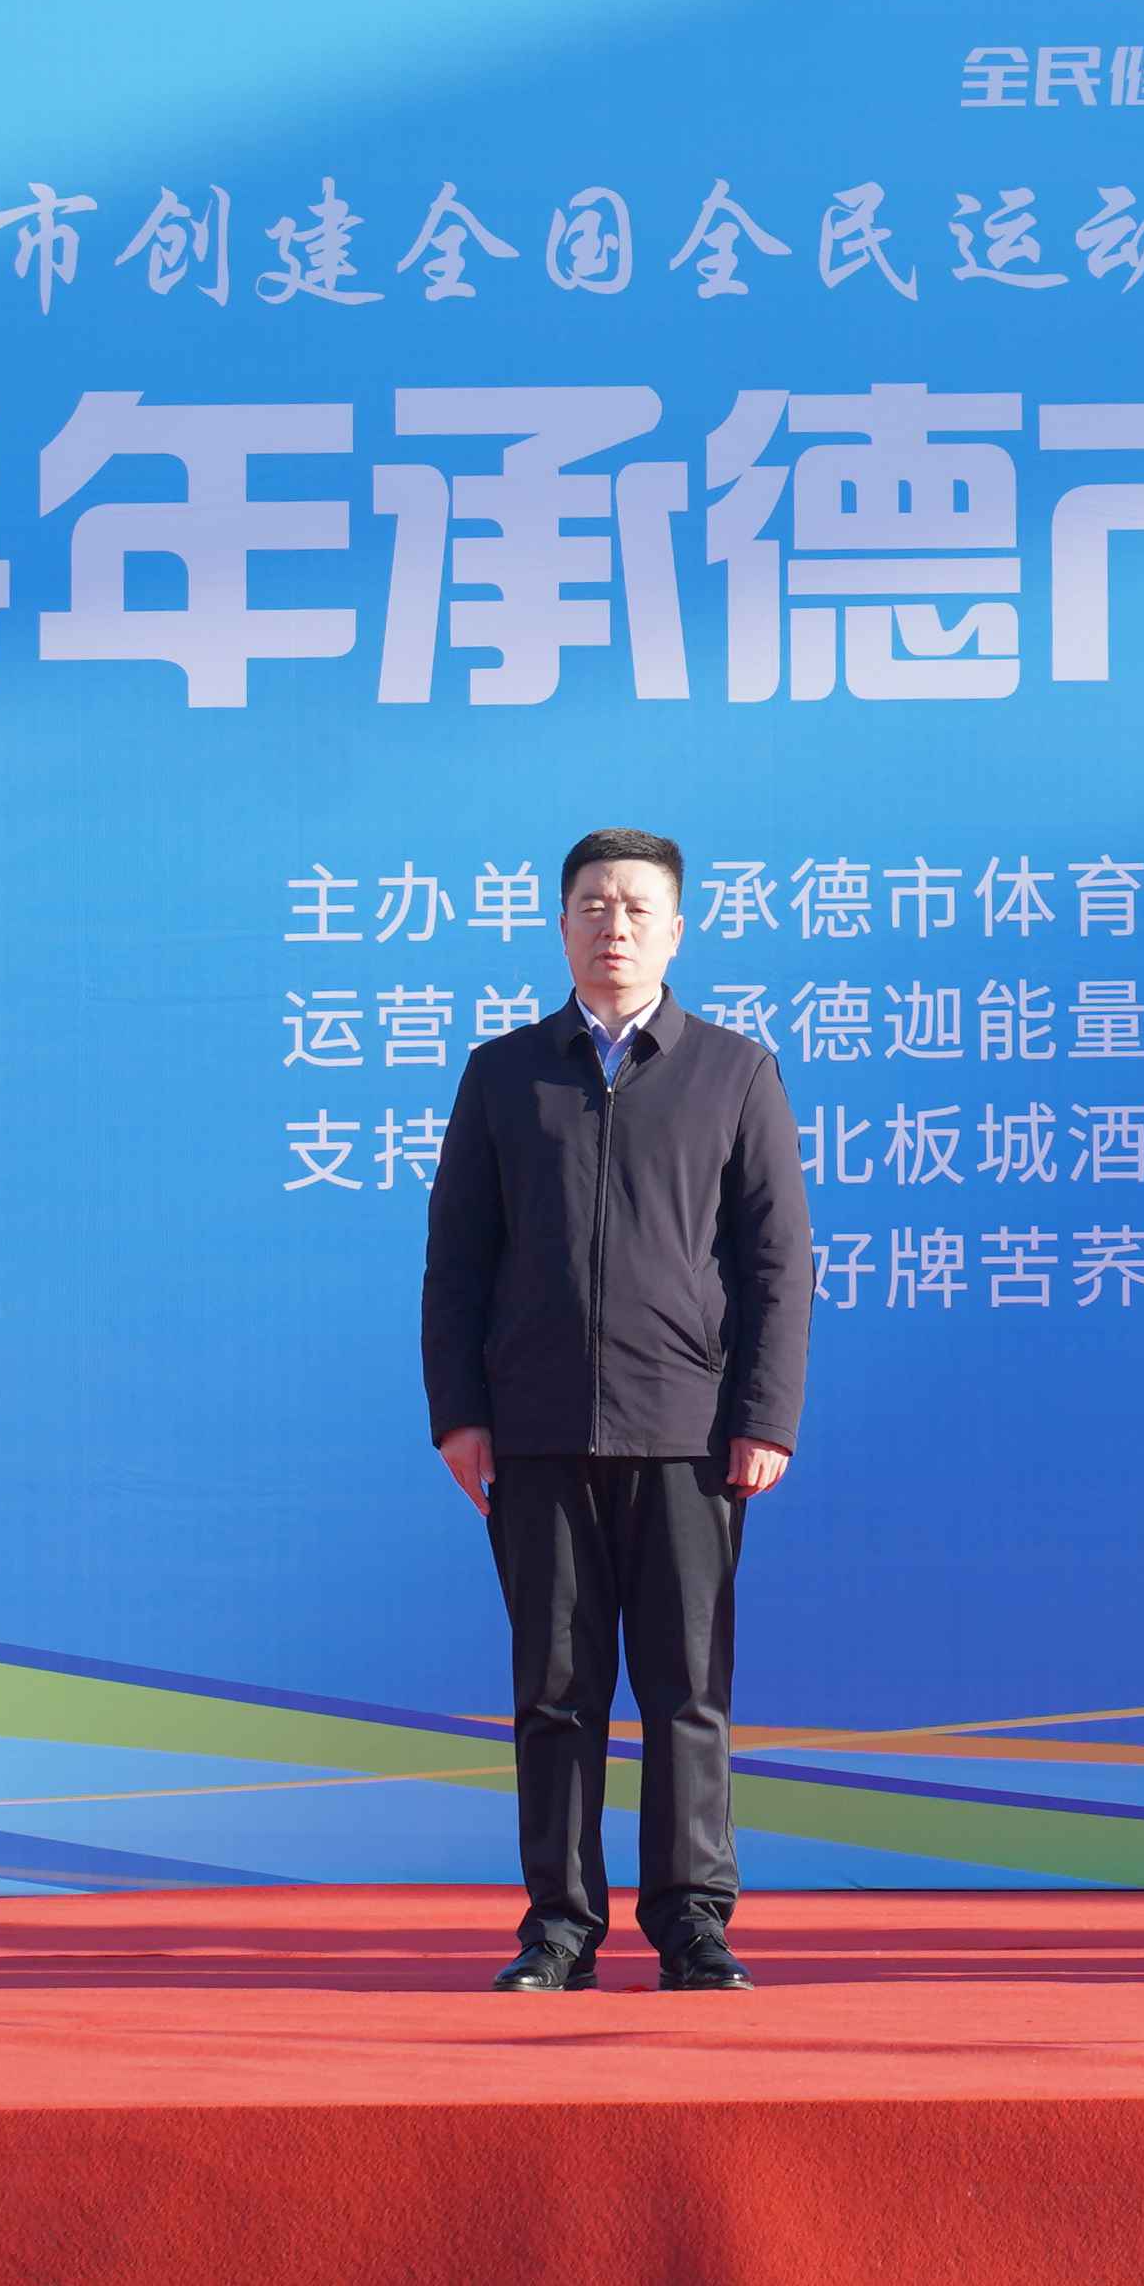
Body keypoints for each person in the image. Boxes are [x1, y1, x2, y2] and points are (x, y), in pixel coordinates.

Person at [422, 827, 812, 1993]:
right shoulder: (504, 1073)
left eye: (639, 906)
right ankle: (559, 1923)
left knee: (687, 1689)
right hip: (536, 1427)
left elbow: (777, 1263)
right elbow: (456, 1261)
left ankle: (692, 1921)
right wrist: (460, 1411)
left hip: (689, 1432)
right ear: (561, 924)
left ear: (676, 929)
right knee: (554, 1690)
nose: (615, 925)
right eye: (594, 904)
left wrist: (765, 1414)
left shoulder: (734, 1071)